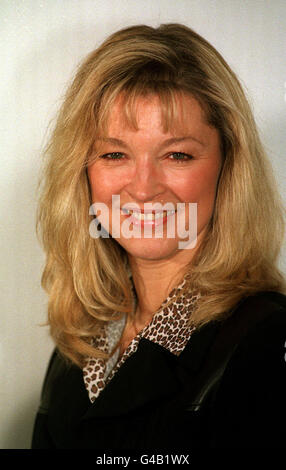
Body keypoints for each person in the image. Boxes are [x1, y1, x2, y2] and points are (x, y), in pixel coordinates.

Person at [32, 23, 286, 450]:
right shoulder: (78, 346)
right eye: (115, 154)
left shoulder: (268, 342)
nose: (144, 188)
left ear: (228, 167)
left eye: (177, 155)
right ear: (83, 173)